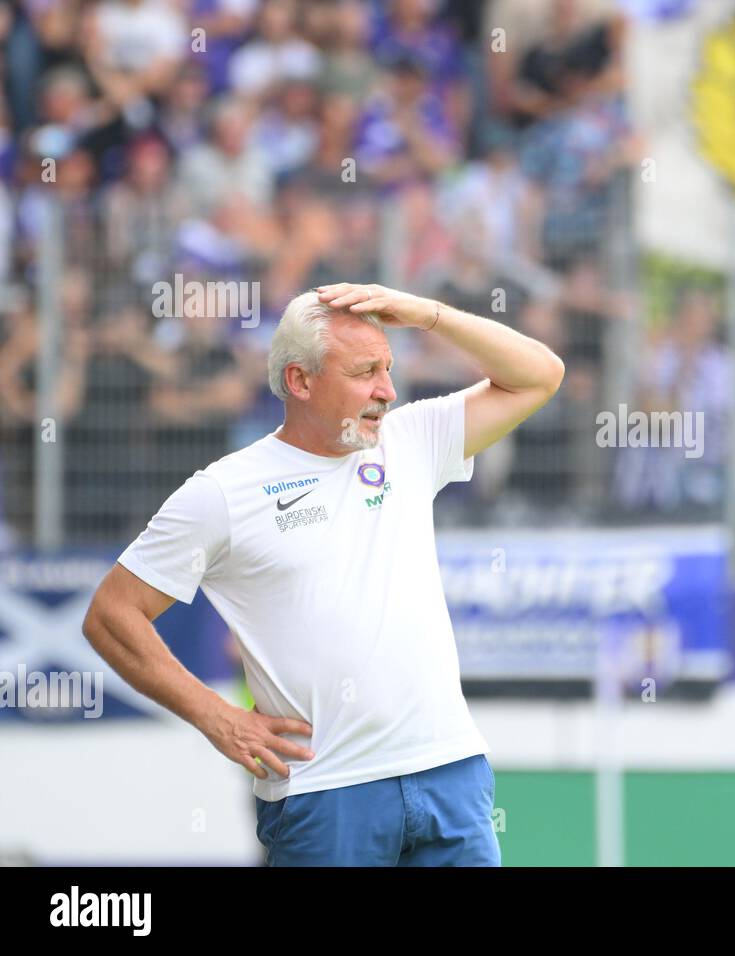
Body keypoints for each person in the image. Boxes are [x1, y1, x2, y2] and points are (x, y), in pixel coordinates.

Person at [81, 283, 565, 866]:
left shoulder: (410, 441)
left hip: (450, 773)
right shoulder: (224, 493)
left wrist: (427, 315)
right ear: (299, 381)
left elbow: (540, 375)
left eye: (388, 368)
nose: (386, 391)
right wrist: (216, 717)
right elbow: (111, 614)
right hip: (325, 791)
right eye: (365, 372)